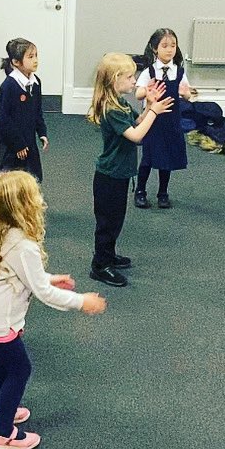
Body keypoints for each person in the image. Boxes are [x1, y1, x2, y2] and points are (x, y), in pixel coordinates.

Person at [0, 170, 107, 449]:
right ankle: (3, 433)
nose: (41, 200)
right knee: (20, 370)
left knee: (5, 365)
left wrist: (48, 277)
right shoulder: (22, 243)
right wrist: (81, 301)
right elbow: (42, 292)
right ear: (22, 206)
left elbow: (15, 274)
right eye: (35, 196)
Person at [86, 52, 173, 287]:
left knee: (116, 219)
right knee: (107, 222)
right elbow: (136, 136)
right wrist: (154, 113)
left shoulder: (121, 102)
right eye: (129, 77)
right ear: (115, 79)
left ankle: (109, 255)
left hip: (119, 174)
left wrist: (150, 107)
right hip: (109, 175)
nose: (135, 81)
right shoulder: (110, 108)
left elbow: (136, 122)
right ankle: (100, 265)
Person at [133, 28, 193, 209]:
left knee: (167, 159)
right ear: (154, 48)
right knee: (148, 158)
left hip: (172, 122)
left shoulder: (179, 72)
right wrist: (146, 91)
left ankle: (163, 192)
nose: (169, 49)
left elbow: (188, 94)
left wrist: (186, 93)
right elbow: (138, 94)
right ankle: (140, 191)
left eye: (173, 45)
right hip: (153, 122)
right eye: (165, 46)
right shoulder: (149, 72)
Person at [0, 38, 48, 182]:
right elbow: (4, 120)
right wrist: (18, 144)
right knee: (12, 178)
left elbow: (37, 111)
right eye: (30, 57)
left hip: (28, 139)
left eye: (36, 55)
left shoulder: (35, 82)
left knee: (32, 175)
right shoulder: (9, 86)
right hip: (12, 143)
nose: (36, 60)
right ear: (16, 62)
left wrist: (42, 132)